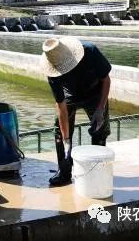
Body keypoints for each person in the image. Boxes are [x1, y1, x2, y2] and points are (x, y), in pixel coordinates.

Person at [41, 37, 112, 186]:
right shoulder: (52, 67)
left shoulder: (90, 51)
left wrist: (100, 109)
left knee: (99, 129)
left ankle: (96, 170)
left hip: (95, 93)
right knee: (60, 132)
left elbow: (106, 80)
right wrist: (67, 140)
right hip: (70, 96)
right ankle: (64, 171)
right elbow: (60, 105)